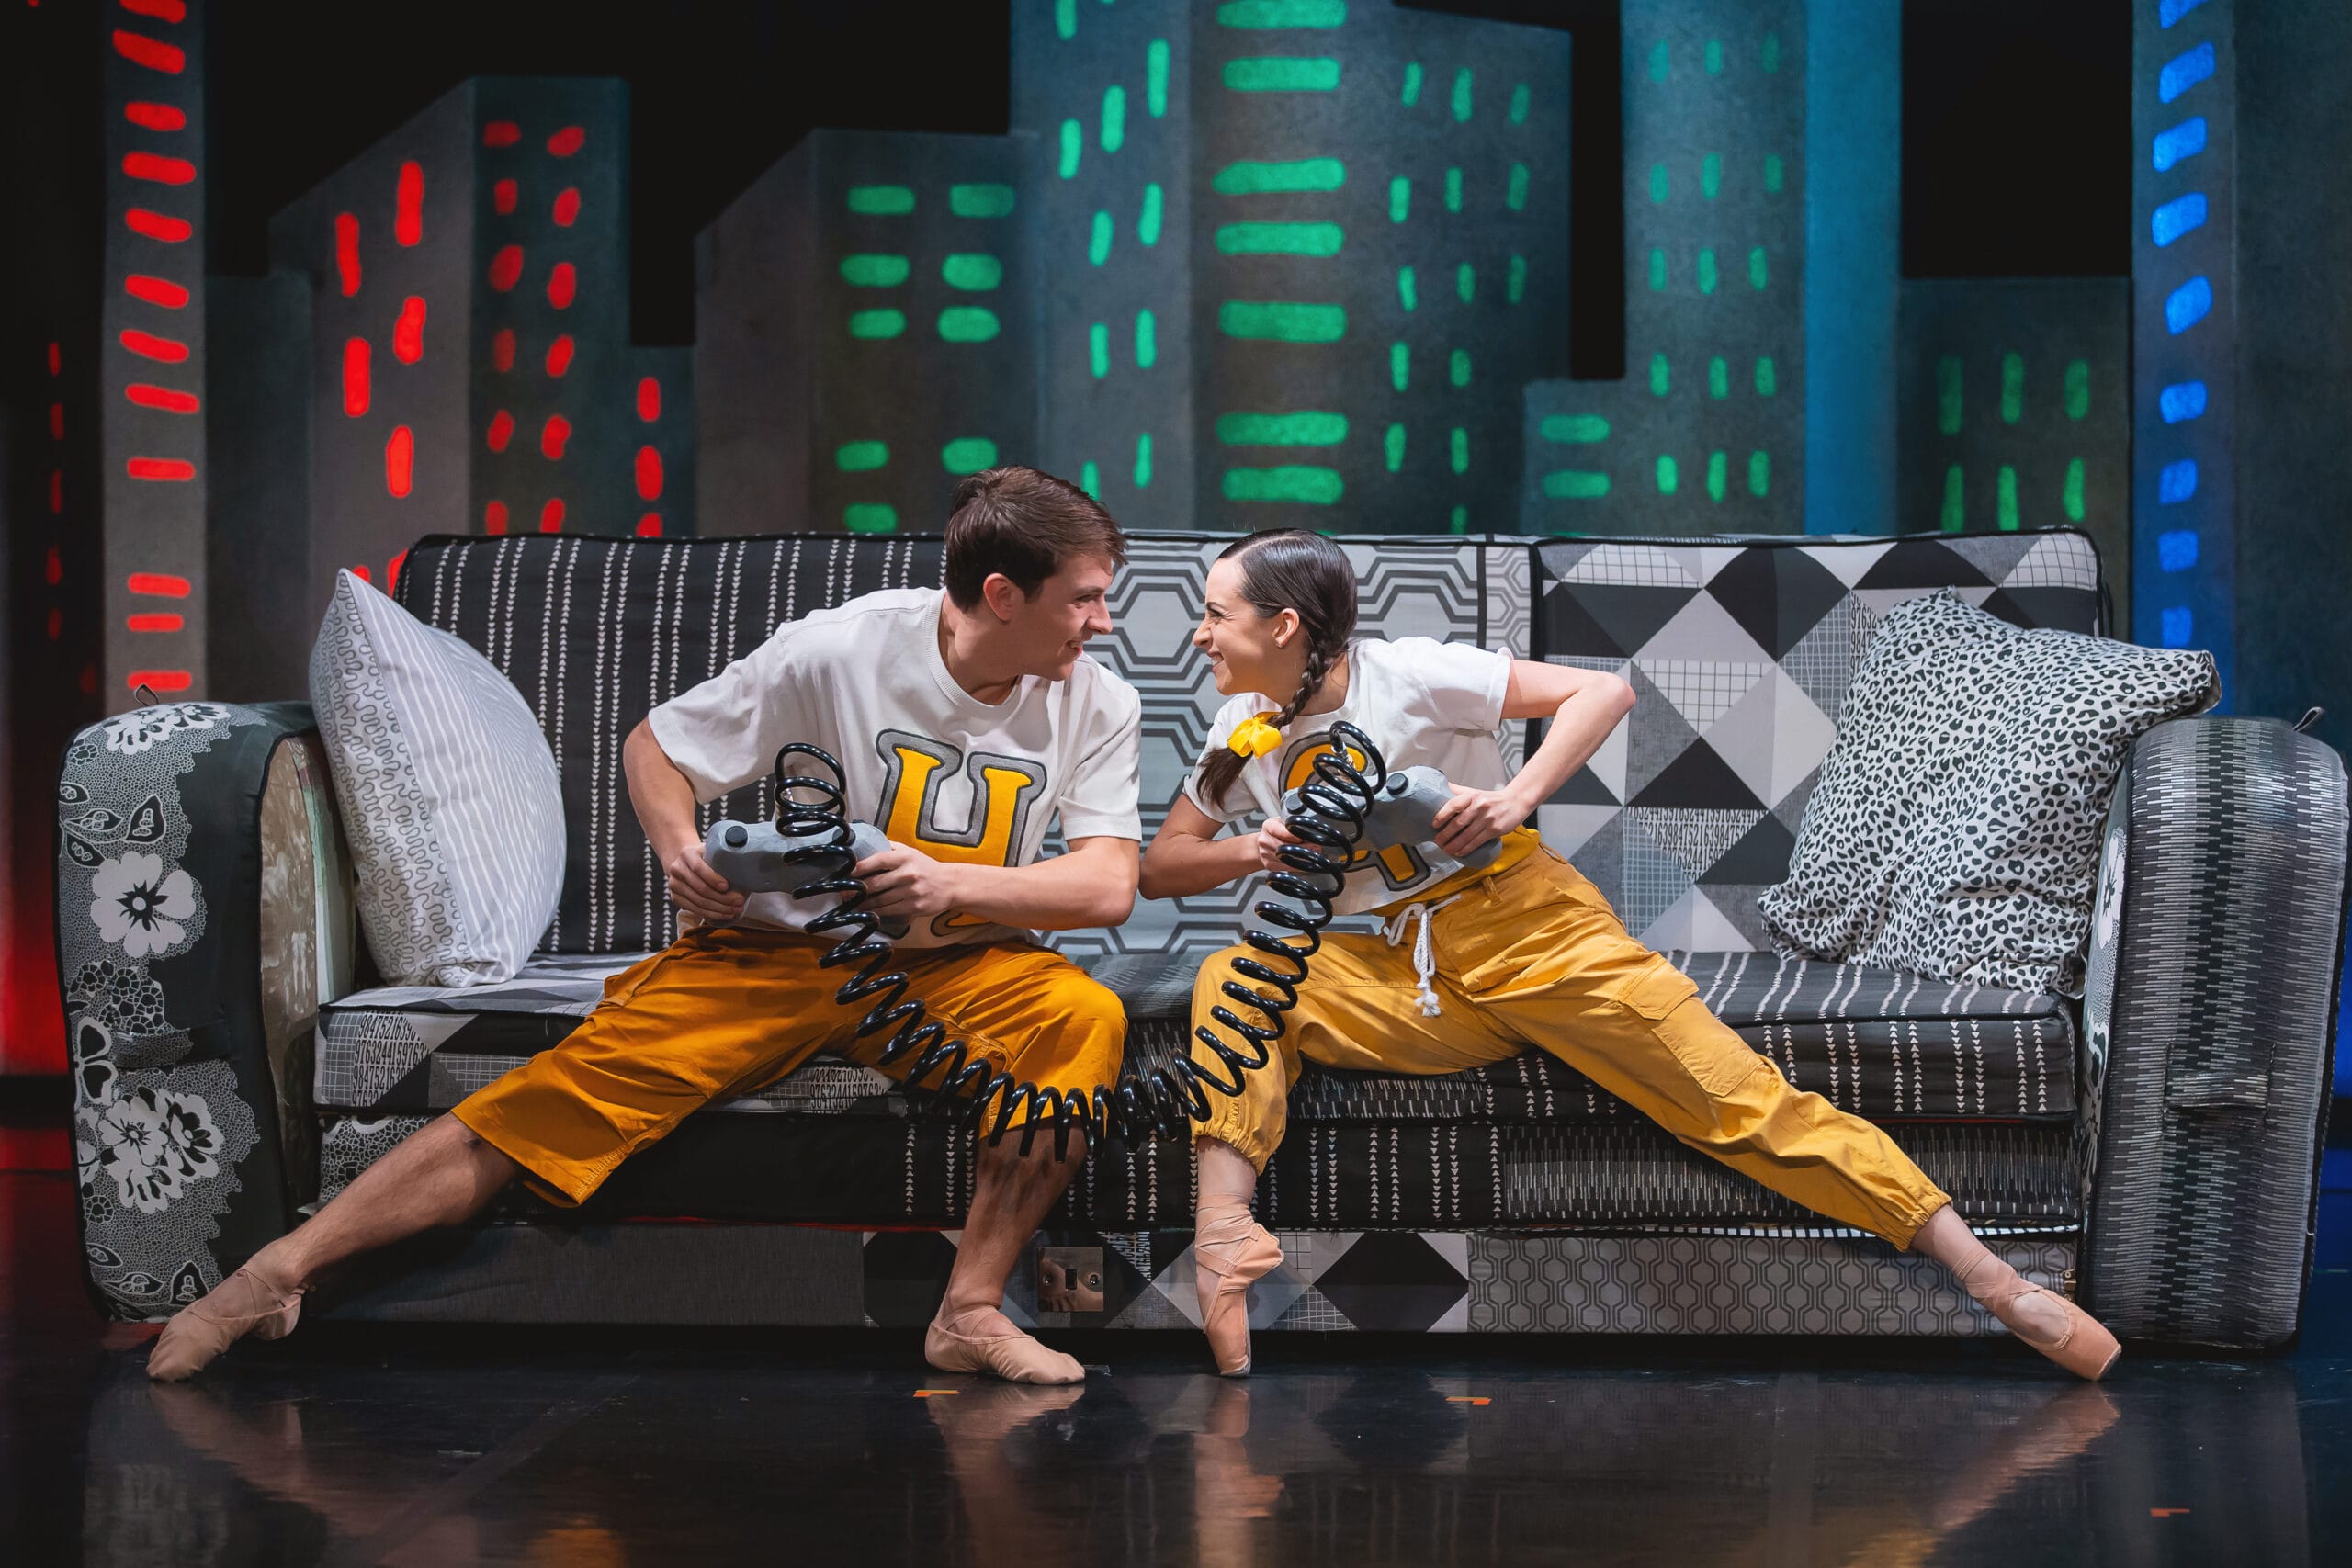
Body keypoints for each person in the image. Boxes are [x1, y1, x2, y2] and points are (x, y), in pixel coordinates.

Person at [151, 467, 1144, 1386]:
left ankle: (969, 1311)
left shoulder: (1097, 701)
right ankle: (274, 1275)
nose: (1102, 622)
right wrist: (680, 853)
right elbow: (657, 746)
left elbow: (1105, 886)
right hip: (772, 952)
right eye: (1085, 598)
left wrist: (950, 890)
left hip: (957, 965)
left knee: (1081, 1019)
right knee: (558, 1095)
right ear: (1004, 595)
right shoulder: (839, 649)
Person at [1136, 530, 2120, 1382]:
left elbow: (1599, 693)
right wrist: (1250, 849)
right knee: (1238, 979)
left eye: (1215, 613)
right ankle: (1224, 1239)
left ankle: (1994, 1281)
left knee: (1738, 1104)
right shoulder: (1239, 733)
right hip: (1406, 972)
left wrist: (1515, 799)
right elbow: (1162, 866)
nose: (1199, 633)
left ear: (1285, 626)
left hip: (1528, 929)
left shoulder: (1410, 672)